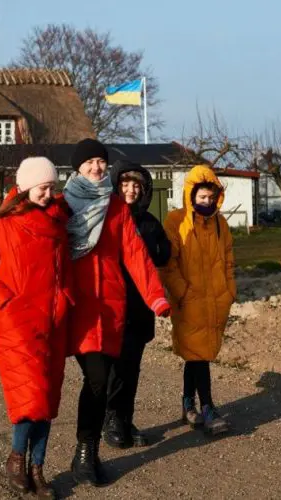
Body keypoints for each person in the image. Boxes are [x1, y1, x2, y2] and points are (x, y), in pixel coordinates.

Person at [63, 138, 171, 486]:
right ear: (78, 167)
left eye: (101, 161)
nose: (96, 167)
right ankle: (51, 454)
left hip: (110, 308)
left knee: (99, 381)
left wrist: (156, 298)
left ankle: (86, 453)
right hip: (77, 307)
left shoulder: (115, 207)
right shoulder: (62, 204)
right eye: (89, 162)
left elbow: (136, 255)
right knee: (96, 380)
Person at [0, 157, 71, 498]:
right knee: (31, 396)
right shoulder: (0, 227)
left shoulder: (57, 225)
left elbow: (64, 273)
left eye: (52, 187)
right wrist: (7, 301)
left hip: (52, 323)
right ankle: (17, 458)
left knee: (46, 400)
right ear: (25, 187)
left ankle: (38, 470)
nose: (49, 194)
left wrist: (64, 299)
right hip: (15, 324)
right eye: (43, 188)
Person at [161, 165, 236, 436]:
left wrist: (229, 291)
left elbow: (228, 261)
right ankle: (207, 407)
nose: (207, 202)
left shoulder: (220, 224)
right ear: (191, 195)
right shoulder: (176, 221)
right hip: (189, 301)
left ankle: (187, 403)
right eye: (202, 197)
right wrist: (182, 292)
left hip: (215, 300)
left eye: (211, 197)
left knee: (196, 355)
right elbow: (168, 264)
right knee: (199, 355)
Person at [103, 160, 172, 449]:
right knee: (115, 368)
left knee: (132, 367)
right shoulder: (106, 218)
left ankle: (125, 418)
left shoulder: (149, 222)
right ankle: (111, 419)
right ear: (116, 187)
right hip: (113, 305)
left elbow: (164, 255)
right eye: (125, 185)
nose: (130, 190)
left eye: (136, 186)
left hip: (140, 306)